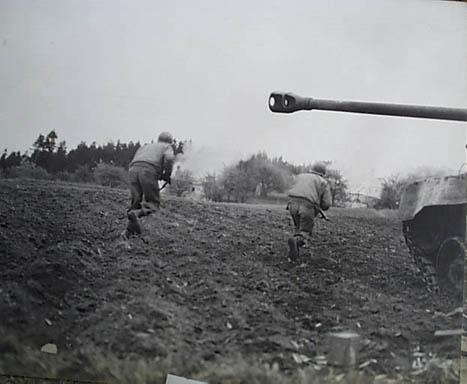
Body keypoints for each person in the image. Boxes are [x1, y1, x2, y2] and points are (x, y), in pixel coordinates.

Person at [123, 131, 176, 237]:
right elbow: (169, 159)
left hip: (133, 170)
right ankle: (135, 216)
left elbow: (137, 160)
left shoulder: (145, 146)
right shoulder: (167, 147)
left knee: (135, 203)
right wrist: (167, 174)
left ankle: (129, 232)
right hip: (148, 171)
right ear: (170, 141)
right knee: (152, 204)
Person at [286, 162, 332, 261]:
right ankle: (295, 241)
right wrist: (319, 207)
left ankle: (294, 255)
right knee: (305, 233)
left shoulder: (300, 176)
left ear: (311, 169)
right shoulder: (323, 182)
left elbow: (291, 188)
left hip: (292, 204)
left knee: (298, 228)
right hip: (307, 206)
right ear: (322, 173)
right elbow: (326, 203)